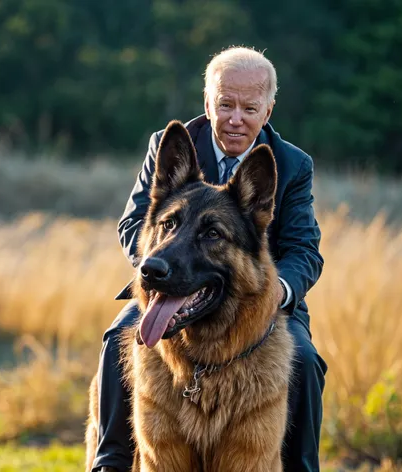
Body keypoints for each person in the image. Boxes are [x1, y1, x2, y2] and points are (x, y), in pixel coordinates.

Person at [91, 46, 328, 472]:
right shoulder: (170, 146)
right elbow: (134, 225)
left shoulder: (293, 164)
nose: (236, 118)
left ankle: (302, 466)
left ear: (268, 110)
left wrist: (279, 290)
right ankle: (110, 459)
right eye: (225, 104)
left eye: (249, 107)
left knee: (306, 361)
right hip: (166, 289)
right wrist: (157, 262)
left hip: (253, 300)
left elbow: (305, 250)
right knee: (117, 339)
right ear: (208, 103)